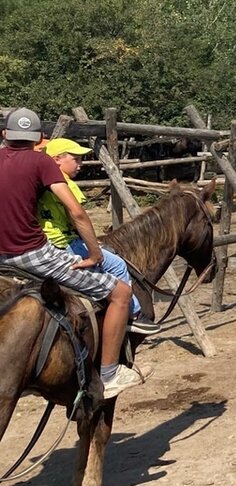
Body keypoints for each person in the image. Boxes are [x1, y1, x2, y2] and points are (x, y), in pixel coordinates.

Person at [0, 109, 148, 398]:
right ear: (39, 138)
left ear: (5, 134)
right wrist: (94, 255)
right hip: (31, 254)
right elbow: (77, 212)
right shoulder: (41, 162)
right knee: (119, 293)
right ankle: (110, 373)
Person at [36, 138, 158, 333]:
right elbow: (77, 218)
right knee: (117, 264)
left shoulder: (40, 182)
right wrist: (92, 246)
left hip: (43, 241)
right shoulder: (66, 184)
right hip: (64, 243)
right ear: (57, 159)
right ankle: (133, 314)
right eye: (76, 159)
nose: (80, 164)